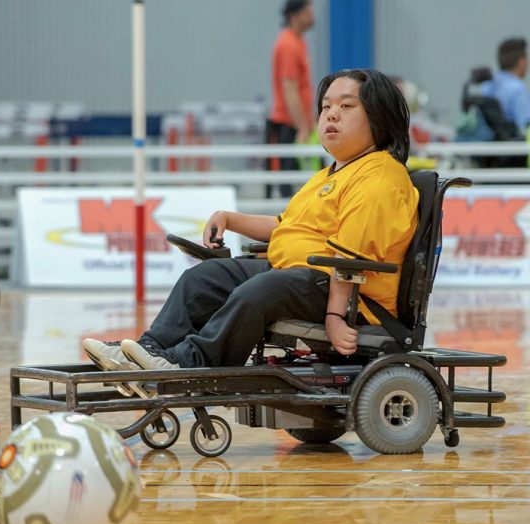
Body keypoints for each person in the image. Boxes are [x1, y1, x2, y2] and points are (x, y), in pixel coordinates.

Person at [83, 69, 417, 377]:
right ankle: (148, 350)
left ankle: (189, 362)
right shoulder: (331, 174)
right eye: (326, 106)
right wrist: (230, 218)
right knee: (203, 278)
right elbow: (286, 226)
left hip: (350, 295)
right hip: (300, 276)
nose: (331, 114)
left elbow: (349, 258)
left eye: (346, 106)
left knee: (259, 290)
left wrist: (335, 316)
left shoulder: (379, 177)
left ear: (379, 117)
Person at [265, 0, 315, 198]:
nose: (312, 15)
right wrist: (301, 126)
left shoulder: (298, 42)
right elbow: (290, 88)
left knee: (298, 183)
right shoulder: (288, 44)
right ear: (295, 15)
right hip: (288, 124)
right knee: (288, 184)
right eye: (308, 11)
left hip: (295, 123)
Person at [481, 37, 530, 135]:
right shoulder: (517, 89)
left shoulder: (486, 85)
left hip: (488, 143)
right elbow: (526, 125)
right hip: (511, 143)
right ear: (521, 61)